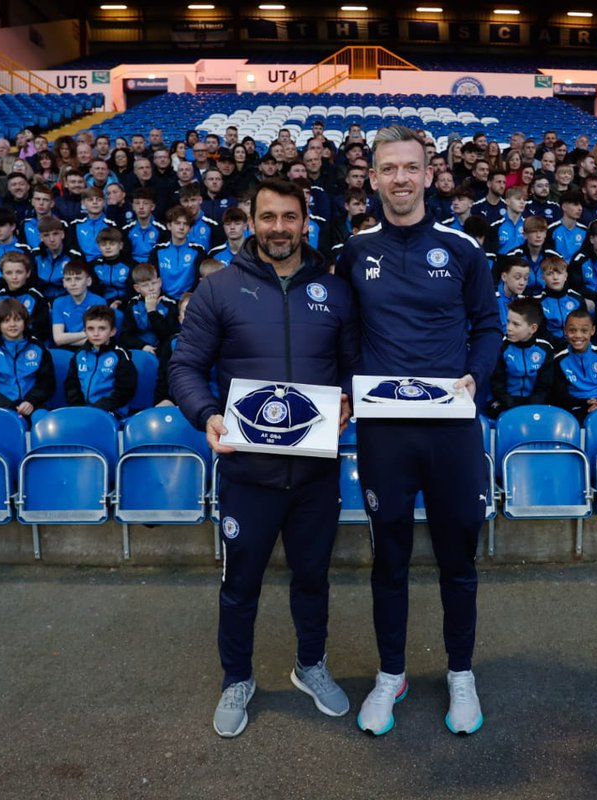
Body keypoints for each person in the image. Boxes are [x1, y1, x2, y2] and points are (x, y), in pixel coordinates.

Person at [168, 178, 359, 738]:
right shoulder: (218, 290)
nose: (280, 228)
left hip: (315, 471)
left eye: (290, 217)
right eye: (268, 217)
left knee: (313, 577)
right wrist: (207, 413)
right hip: (247, 474)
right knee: (240, 584)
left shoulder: (335, 291)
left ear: (307, 222)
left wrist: (348, 397)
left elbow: (353, 365)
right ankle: (237, 678)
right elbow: (184, 367)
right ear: (251, 222)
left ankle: (310, 666)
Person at [336, 125, 501, 737]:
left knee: (459, 557)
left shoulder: (463, 250)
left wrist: (474, 376)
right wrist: (352, 387)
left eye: (411, 167)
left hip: (452, 428)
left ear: (429, 175)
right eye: (389, 168)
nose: (400, 178)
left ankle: (461, 672)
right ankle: (392, 674)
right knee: (391, 560)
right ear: (372, 177)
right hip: (385, 431)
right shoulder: (354, 252)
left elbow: (487, 325)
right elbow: (346, 334)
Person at [0, 298, 55, 419]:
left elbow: (47, 383)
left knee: (43, 421)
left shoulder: (38, 347)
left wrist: (31, 401)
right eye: (6, 321)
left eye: (17, 319)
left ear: (25, 321)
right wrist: (7, 405)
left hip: (34, 405)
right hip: (1, 407)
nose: (12, 325)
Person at [551, 308, 597, 421]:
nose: (578, 335)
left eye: (584, 331)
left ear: (592, 330)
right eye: (572, 330)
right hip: (576, 405)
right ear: (565, 331)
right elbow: (560, 393)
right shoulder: (560, 359)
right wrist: (584, 403)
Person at [485, 297, 552, 418]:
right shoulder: (501, 346)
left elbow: (544, 386)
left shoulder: (545, 349)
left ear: (533, 328)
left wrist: (531, 405)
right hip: (505, 401)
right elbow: (497, 383)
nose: (509, 327)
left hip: (534, 402)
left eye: (516, 324)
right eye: (508, 321)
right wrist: (513, 404)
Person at [64, 305, 136, 415]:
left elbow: (125, 390)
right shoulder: (79, 354)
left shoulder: (120, 355)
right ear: (85, 331)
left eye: (102, 328)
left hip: (111, 410)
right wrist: (78, 406)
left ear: (112, 331)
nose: (96, 333)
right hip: (82, 410)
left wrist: (100, 407)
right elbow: (72, 384)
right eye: (90, 329)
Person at [51, 262, 107, 350]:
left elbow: (99, 338)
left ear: (88, 281)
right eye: (68, 279)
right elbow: (58, 339)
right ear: (64, 283)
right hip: (66, 350)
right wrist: (87, 334)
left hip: (91, 349)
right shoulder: (58, 303)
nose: (73, 283)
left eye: (78, 278)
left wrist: (66, 339)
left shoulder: (98, 301)